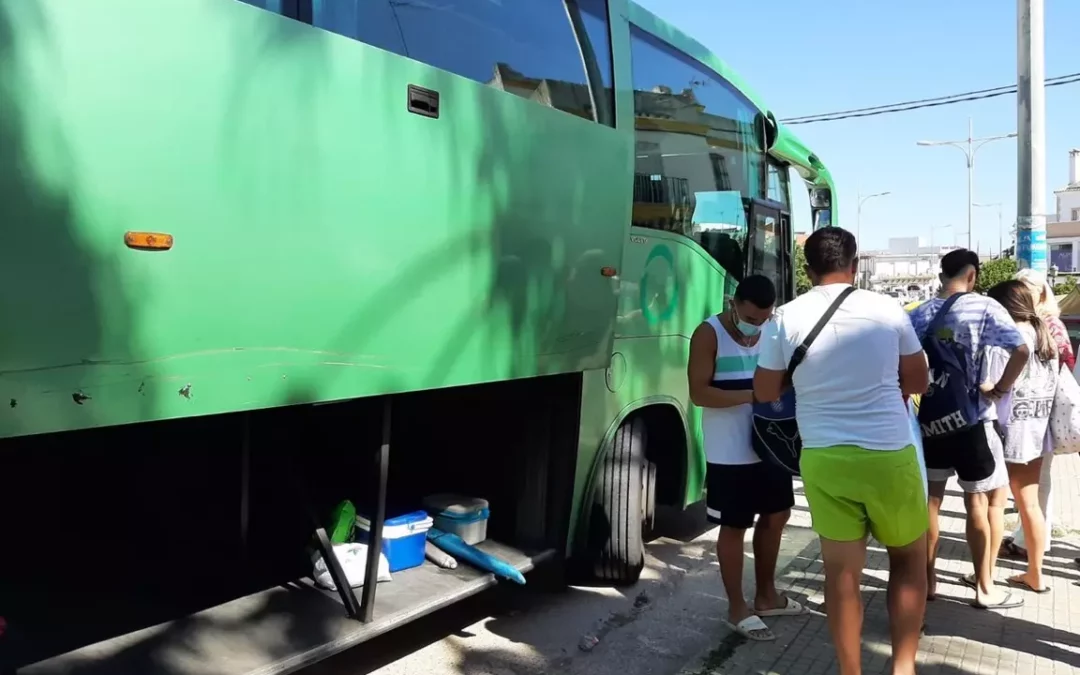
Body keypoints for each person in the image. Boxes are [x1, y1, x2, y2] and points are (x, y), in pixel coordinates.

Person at [754, 227, 929, 675]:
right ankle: (903, 667)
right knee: (908, 560)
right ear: (854, 265)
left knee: (841, 574)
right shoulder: (889, 310)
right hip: (889, 452)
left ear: (807, 269)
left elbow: (765, 389)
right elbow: (918, 382)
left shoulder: (784, 318)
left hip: (824, 456)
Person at [907, 249, 1029, 610]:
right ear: (972, 274)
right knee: (976, 502)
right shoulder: (985, 307)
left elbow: (906, 365)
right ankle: (984, 586)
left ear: (943, 274)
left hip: (931, 420)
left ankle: (928, 583)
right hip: (971, 420)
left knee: (930, 503)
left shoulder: (922, 312)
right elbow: (1021, 350)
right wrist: (1001, 388)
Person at [687, 274, 800, 642]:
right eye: (750, 317)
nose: (756, 325)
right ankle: (738, 608)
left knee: (777, 514)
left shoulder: (773, 330)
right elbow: (699, 393)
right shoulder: (709, 334)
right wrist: (752, 396)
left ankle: (766, 596)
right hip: (729, 449)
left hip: (771, 444)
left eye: (763, 318)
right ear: (734, 304)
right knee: (734, 525)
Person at [985, 280, 1057, 593]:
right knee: (1030, 504)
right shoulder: (1046, 335)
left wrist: (990, 389)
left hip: (1008, 429)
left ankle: (984, 575)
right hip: (1039, 428)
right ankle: (1035, 573)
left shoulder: (1007, 337)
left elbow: (990, 384)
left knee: (995, 504)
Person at [999, 268, 1074, 559]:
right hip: (1038, 412)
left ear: (1042, 291)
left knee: (1036, 482)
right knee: (1034, 483)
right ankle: (1030, 540)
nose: (1025, 292)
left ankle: (1029, 543)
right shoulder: (1040, 323)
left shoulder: (1046, 324)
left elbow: (1064, 364)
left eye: (1030, 287)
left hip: (1040, 413)